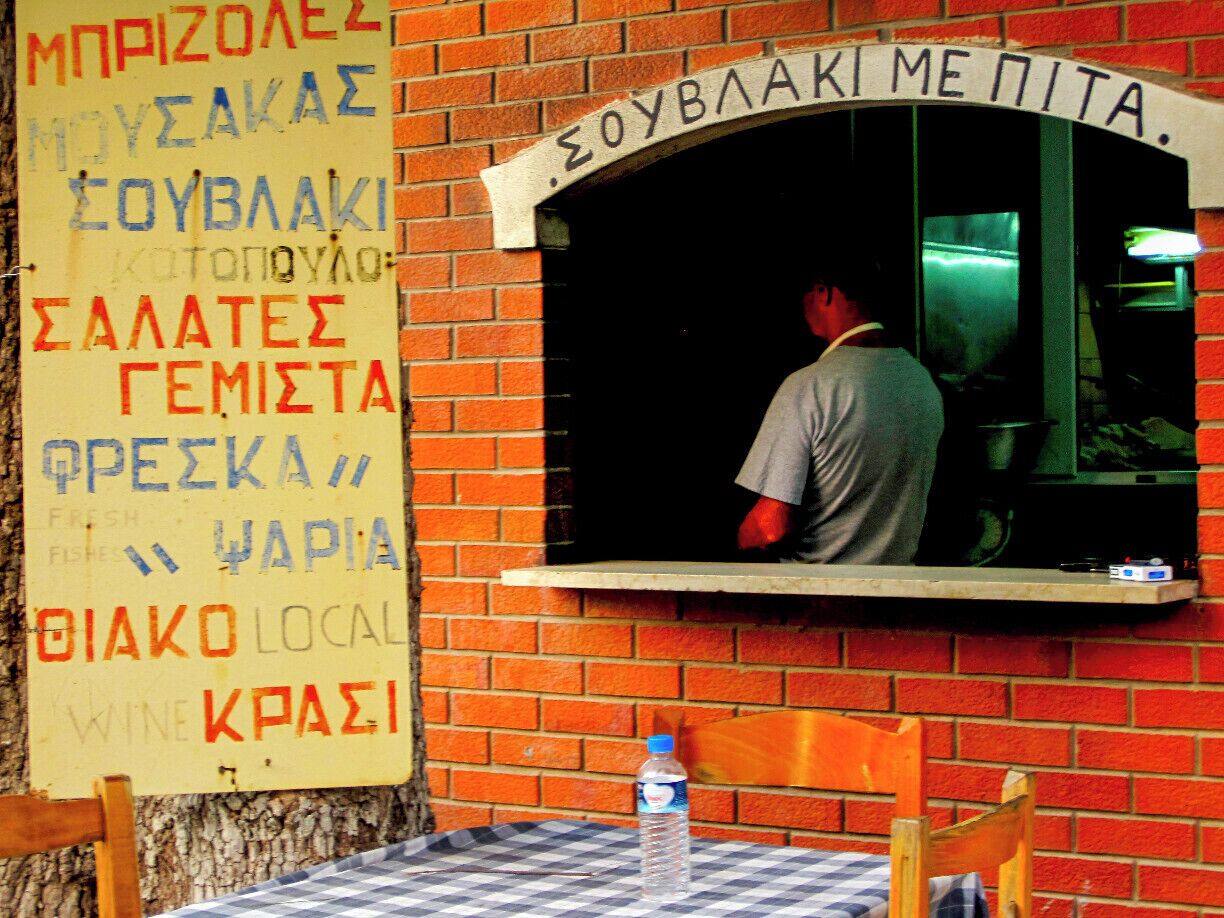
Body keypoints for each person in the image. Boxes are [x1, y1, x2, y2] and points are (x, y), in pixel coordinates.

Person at [736, 264, 944, 565]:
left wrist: (730, 546)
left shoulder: (809, 386)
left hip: (818, 590)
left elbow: (770, 527)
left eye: (804, 294)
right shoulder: (922, 382)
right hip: (897, 587)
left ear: (824, 292)